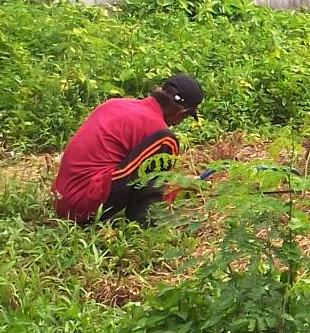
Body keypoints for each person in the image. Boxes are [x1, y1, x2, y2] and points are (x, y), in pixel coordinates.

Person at [52, 73, 204, 224]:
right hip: (82, 206)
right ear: (180, 112)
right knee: (167, 141)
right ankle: (148, 218)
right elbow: (151, 182)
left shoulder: (115, 104)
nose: (177, 124)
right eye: (184, 118)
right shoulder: (157, 129)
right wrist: (178, 189)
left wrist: (181, 182)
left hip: (62, 199)